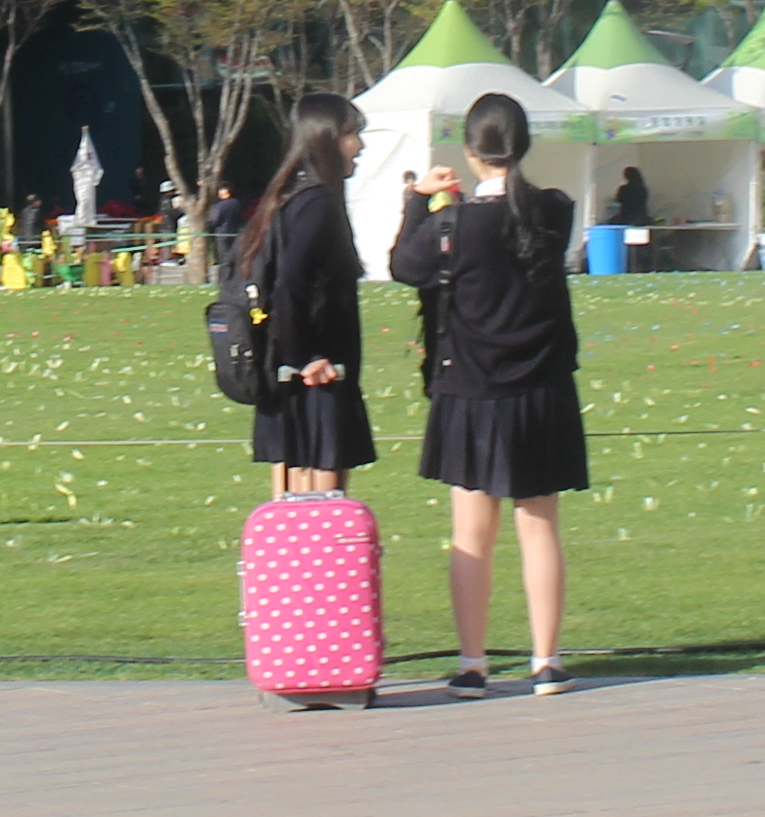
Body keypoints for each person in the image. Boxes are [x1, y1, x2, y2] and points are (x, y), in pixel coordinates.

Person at [385, 90, 584, 697]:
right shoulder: (553, 211)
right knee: (539, 529)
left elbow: (404, 267)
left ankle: (473, 663)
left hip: (472, 393)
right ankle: (545, 661)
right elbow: (528, 207)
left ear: (471, 151)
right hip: (541, 389)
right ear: (521, 146)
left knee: (472, 536)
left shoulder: (457, 224)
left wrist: (420, 203)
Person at [243, 90, 375, 495]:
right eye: (352, 135)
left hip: (293, 382)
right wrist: (307, 358)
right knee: (321, 521)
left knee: (295, 523)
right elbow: (289, 285)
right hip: (315, 386)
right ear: (326, 138)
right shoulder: (316, 203)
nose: (360, 146)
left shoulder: (287, 197)